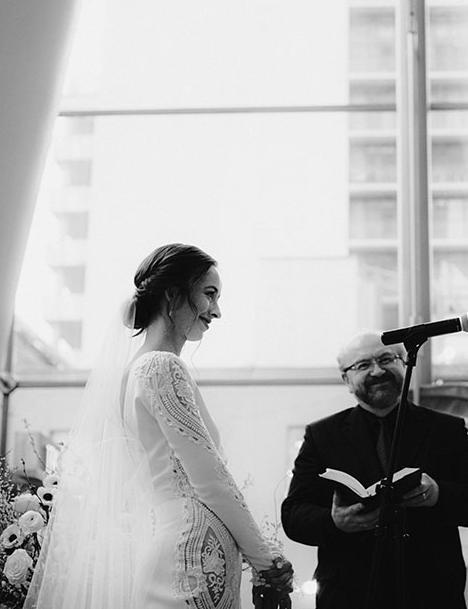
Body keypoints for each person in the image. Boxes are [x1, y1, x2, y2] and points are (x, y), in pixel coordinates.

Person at [25, 244, 293, 609]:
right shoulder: (161, 367)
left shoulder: (131, 373)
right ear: (172, 293)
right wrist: (265, 560)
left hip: (182, 546)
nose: (216, 311)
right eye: (209, 294)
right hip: (191, 557)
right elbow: (211, 479)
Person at [280, 331, 468, 609]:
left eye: (386, 359)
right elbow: (293, 515)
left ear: (403, 364)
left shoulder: (446, 430)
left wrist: (438, 495)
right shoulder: (322, 435)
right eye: (362, 365)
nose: (377, 370)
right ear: (346, 380)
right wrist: (334, 522)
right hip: (350, 595)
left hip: (432, 594)